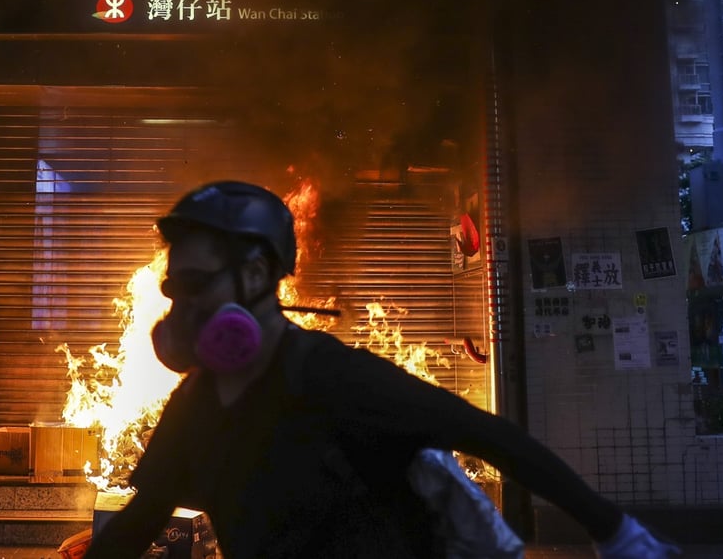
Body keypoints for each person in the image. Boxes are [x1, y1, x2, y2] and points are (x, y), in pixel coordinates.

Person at [84, 180, 678, 559]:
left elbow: (489, 434)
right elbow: (141, 519)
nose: (181, 310)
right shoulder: (198, 403)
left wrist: (615, 531)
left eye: (198, 285)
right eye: (173, 289)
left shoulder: (334, 378)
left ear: (261, 277)